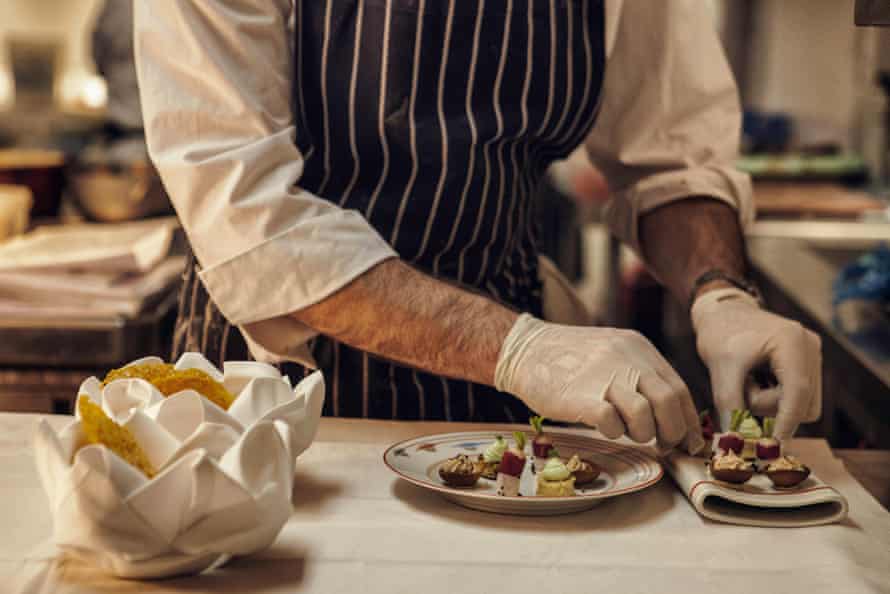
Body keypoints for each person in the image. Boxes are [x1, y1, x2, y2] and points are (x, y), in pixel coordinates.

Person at [134, 0, 821, 452]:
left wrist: (722, 298)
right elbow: (250, 217)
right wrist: (521, 350)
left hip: (507, 391)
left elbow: (668, 151)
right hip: (276, 399)